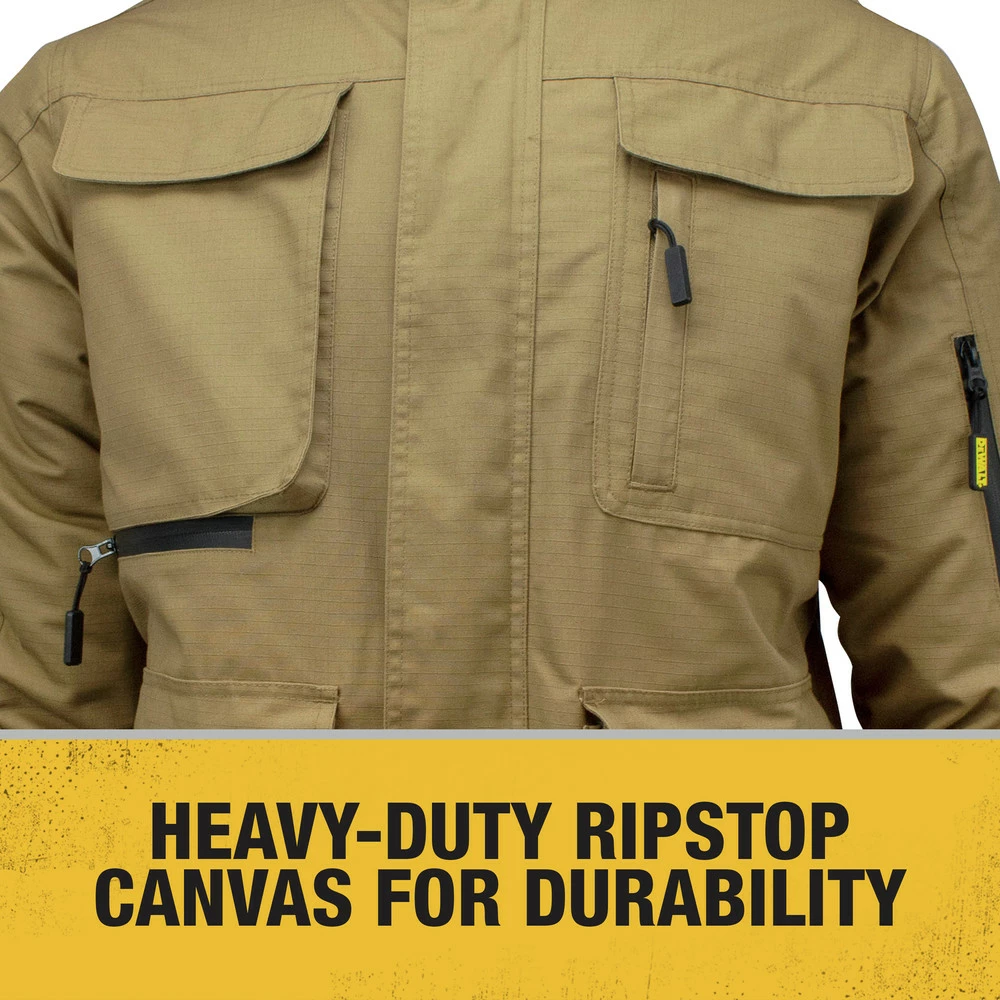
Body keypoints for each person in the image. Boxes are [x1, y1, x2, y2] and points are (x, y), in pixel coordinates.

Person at [1, 0, 999, 730]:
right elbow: (40, 646)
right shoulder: (77, 109)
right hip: (242, 896)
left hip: (710, 901)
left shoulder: (869, 93)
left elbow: (961, 631)